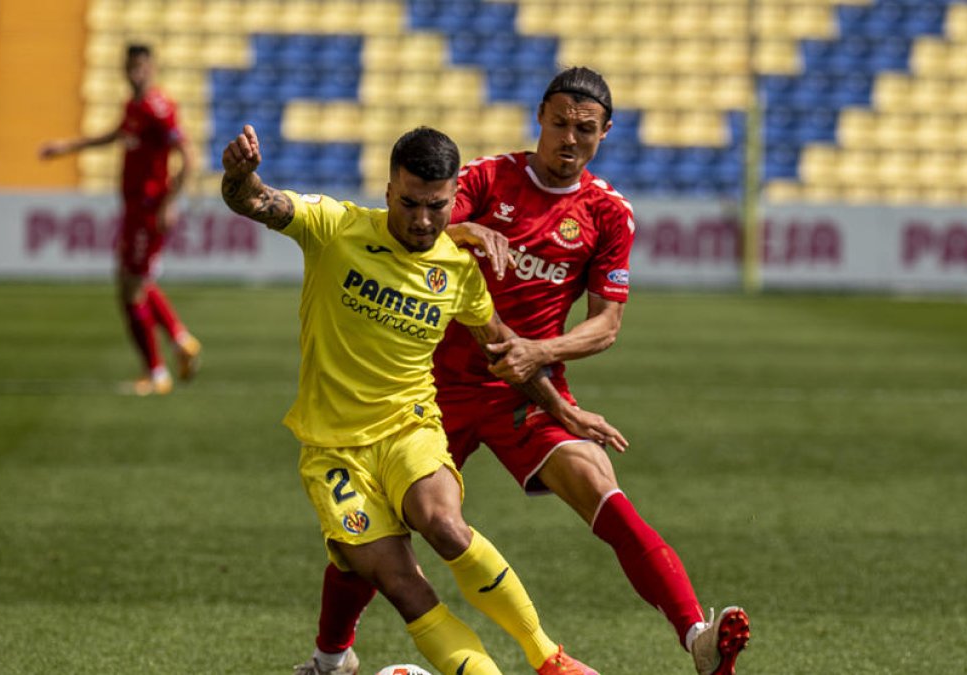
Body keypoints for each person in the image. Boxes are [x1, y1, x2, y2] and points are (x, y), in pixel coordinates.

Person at [304, 67, 751, 675]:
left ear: (606, 133)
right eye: (561, 123)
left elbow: (607, 324)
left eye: (586, 130)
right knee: (377, 532)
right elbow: (422, 226)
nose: (570, 139)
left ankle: (696, 635)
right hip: (434, 388)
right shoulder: (489, 177)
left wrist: (541, 354)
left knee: (601, 486)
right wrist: (466, 226)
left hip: (527, 389)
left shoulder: (608, 214)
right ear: (540, 117)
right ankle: (331, 656)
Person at [221, 124, 623, 675]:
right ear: (388, 191)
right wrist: (239, 177)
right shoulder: (335, 227)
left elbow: (506, 353)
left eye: (437, 206)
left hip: (410, 429)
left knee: (445, 525)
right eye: (409, 203)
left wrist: (564, 410)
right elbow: (254, 201)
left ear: (454, 198)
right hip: (333, 453)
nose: (423, 220)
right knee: (406, 586)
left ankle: (548, 658)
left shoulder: (459, 270)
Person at [39, 43, 200, 395]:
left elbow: (188, 156)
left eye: (141, 66)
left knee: (131, 288)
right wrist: (66, 147)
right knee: (131, 280)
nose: (135, 72)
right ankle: (179, 340)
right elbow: (114, 136)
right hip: (134, 209)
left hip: (148, 208)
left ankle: (157, 374)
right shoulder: (134, 107)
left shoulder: (160, 108)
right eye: (130, 67)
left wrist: (169, 203)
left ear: (153, 68)